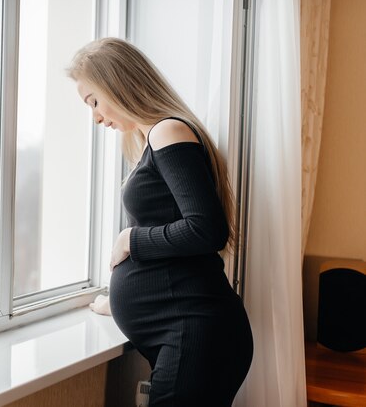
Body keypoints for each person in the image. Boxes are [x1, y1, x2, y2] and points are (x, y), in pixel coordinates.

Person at [68, 38, 253, 406]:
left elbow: (206, 229)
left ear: (116, 84)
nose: (95, 117)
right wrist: (119, 303)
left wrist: (129, 240)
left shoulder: (167, 131)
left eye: (93, 101)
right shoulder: (157, 138)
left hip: (194, 331)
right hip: (188, 329)